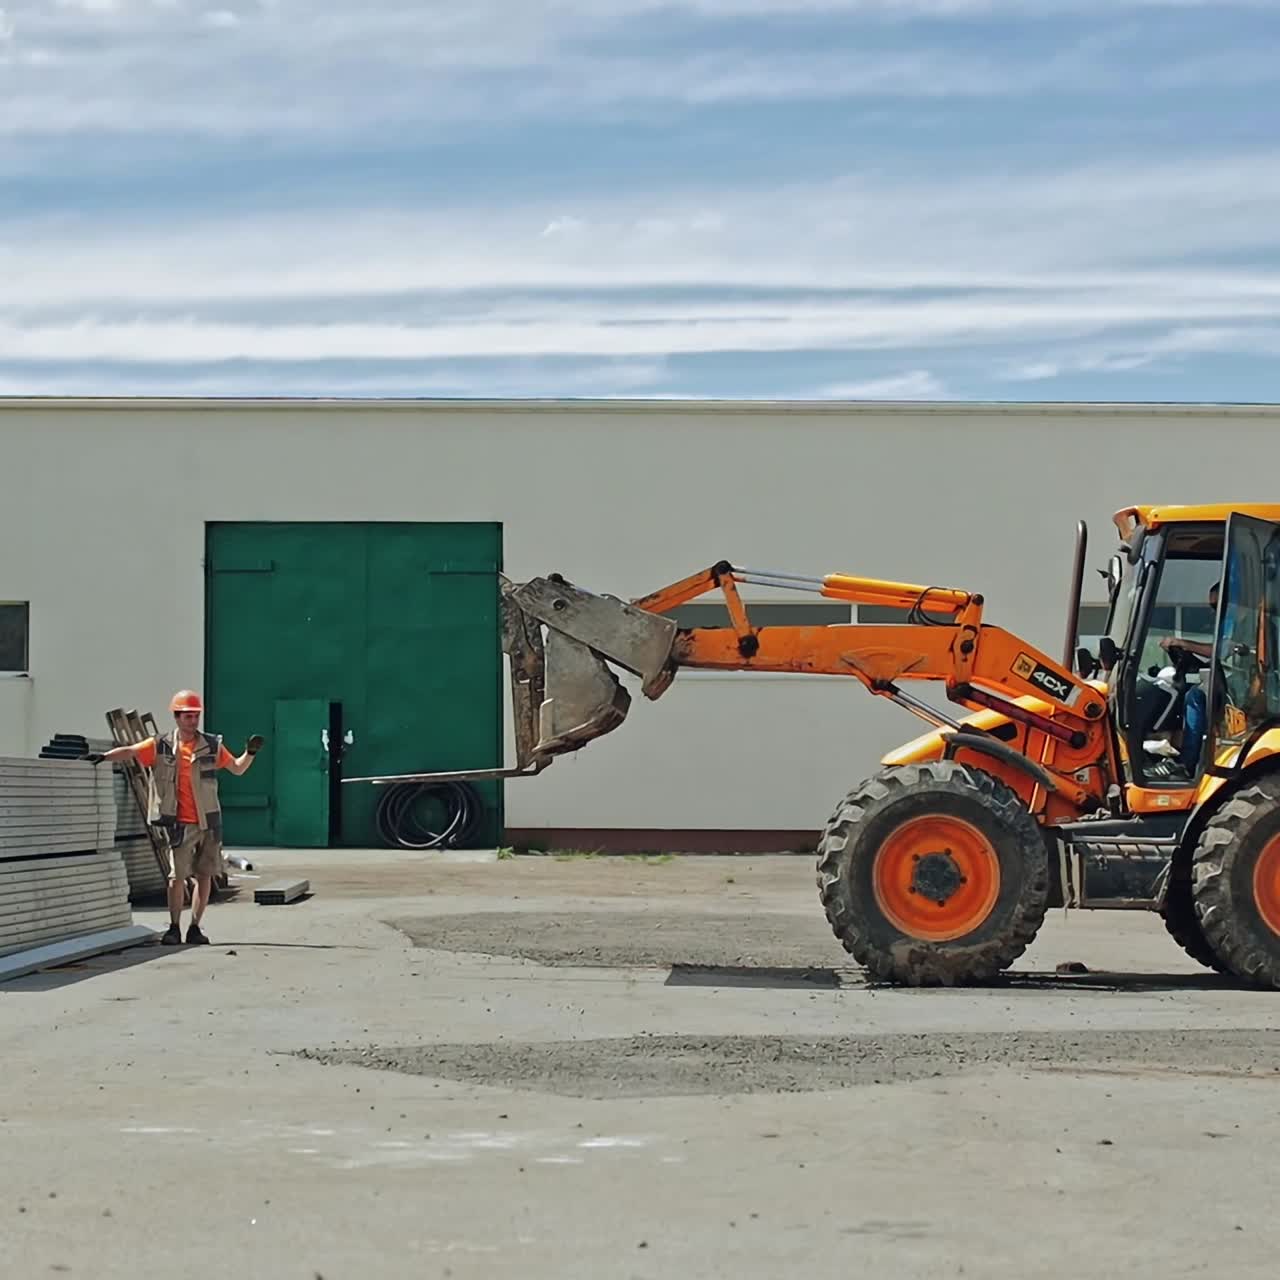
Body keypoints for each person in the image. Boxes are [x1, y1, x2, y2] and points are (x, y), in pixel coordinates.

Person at [88, 690, 262, 946]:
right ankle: (173, 928)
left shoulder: (212, 746)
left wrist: (250, 753)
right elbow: (131, 751)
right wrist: (104, 757)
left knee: (205, 876)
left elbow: (237, 768)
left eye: (196, 716)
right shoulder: (160, 746)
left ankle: (194, 928)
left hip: (209, 823)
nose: (193, 721)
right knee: (176, 877)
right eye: (188, 716)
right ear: (177, 717)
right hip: (180, 823)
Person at [1159, 581, 1221, 776]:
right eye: (1212, 607)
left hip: (1241, 690)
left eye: (1217, 606)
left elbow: (1220, 650)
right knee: (1188, 691)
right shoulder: (1231, 625)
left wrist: (1183, 643)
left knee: (1195, 696)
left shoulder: (1247, 623)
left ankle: (1188, 763)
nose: (1213, 612)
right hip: (1228, 684)